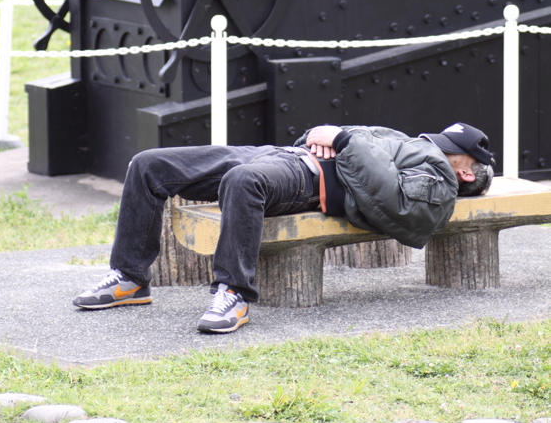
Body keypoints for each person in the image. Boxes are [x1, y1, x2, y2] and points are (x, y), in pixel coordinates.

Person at [72, 121, 494, 334]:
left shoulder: (439, 177)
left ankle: (233, 294)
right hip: (281, 155)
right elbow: (347, 140)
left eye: (452, 149)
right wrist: (320, 133)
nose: (440, 145)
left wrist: (342, 139)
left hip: (309, 180)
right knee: (148, 164)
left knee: (242, 182)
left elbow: (397, 206)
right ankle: (129, 278)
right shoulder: (413, 144)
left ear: (468, 174)